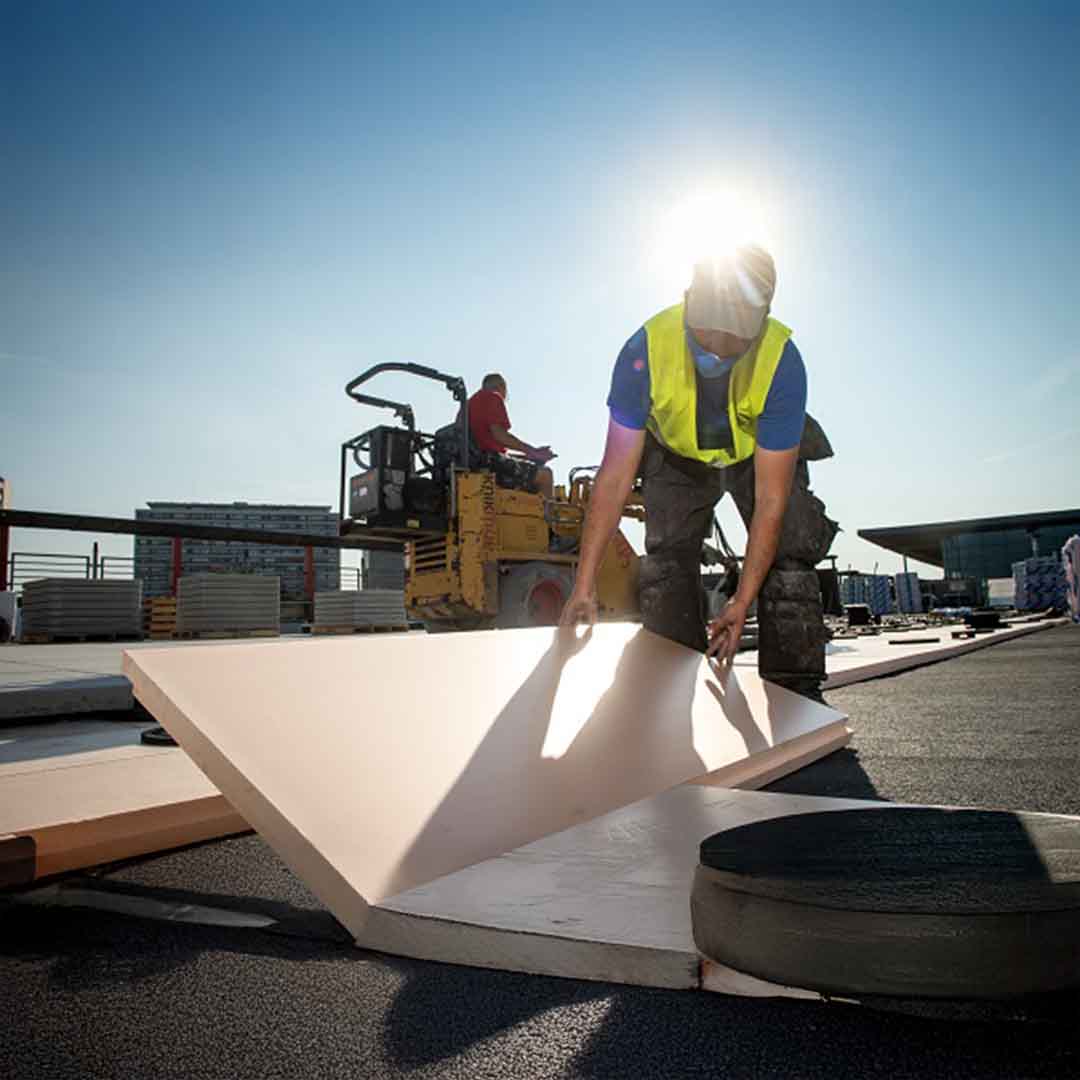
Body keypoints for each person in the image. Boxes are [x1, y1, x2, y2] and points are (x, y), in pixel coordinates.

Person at [560, 245, 838, 702]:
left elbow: (771, 501)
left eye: (734, 341)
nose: (717, 350)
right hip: (676, 456)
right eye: (707, 334)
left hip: (754, 455)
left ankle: (796, 697)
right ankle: (671, 683)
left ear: (764, 317)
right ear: (688, 299)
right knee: (668, 558)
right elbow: (612, 480)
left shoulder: (782, 362)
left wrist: (740, 603)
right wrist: (584, 584)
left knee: (789, 547)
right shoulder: (643, 351)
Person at [468, 373, 557, 497]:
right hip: (491, 466)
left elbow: (487, 448)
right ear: (501, 387)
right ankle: (548, 515)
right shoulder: (492, 397)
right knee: (545, 475)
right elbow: (500, 435)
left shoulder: (468, 404)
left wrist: (528, 457)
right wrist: (533, 451)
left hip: (479, 463)